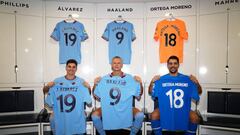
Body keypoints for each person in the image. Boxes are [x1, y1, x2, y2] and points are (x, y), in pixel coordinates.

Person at [92, 56, 144, 135]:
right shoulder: (103, 79)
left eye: (119, 63)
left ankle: (132, 133)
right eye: (114, 63)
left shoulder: (130, 79)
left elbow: (139, 95)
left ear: (122, 65)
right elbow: (96, 96)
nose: (116, 65)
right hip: (109, 107)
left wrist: (139, 83)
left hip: (125, 107)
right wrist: (95, 84)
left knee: (140, 115)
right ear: (111, 65)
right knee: (94, 116)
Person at [149, 56, 202, 135]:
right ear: (167, 65)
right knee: (154, 115)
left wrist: (196, 83)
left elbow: (199, 92)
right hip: (166, 108)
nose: (172, 65)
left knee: (195, 118)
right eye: (170, 63)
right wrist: (152, 82)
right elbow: (151, 92)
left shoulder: (187, 79)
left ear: (178, 65)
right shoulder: (161, 79)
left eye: (175, 63)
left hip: (183, 108)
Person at [43, 59, 92, 135]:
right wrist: (48, 86)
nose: (71, 69)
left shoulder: (81, 82)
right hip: (61, 116)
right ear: (66, 68)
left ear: (76, 69)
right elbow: (46, 92)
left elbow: (89, 100)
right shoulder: (57, 81)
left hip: (76, 115)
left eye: (73, 67)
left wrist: (88, 87)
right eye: (69, 66)